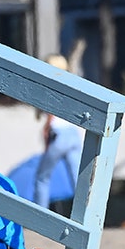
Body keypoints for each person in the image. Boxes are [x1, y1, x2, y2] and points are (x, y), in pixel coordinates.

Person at [34, 55, 84, 210]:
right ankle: (84, 214)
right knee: (78, 179)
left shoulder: (49, 85)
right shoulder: (71, 83)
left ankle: (40, 213)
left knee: (42, 177)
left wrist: (46, 133)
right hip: (73, 133)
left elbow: (50, 115)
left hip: (58, 134)